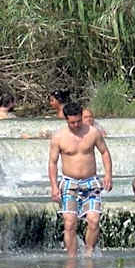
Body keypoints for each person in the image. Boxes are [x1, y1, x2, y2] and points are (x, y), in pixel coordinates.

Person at [48, 101, 113, 257]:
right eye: (72, 122)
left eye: (78, 121)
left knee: (94, 220)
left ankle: (88, 252)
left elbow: (104, 152)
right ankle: (71, 257)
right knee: (70, 223)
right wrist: (54, 186)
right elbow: (52, 163)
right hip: (69, 182)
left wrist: (108, 175)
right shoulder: (59, 137)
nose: (76, 125)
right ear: (66, 119)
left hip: (90, 182)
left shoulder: (93, 133)